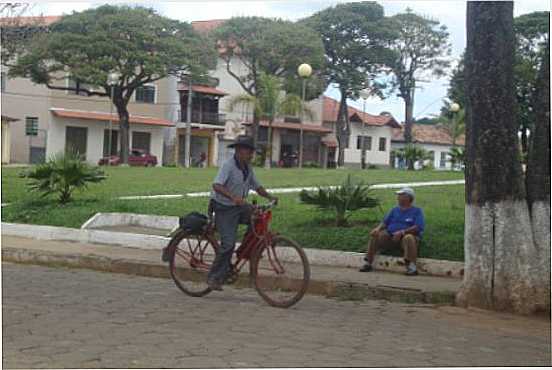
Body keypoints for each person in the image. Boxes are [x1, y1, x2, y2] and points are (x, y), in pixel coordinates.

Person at [207, 135, 278, 291]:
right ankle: (214, 277)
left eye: (252, 152)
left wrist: (269, 196)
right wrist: (234, 197)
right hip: (223, 207)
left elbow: (256, 186)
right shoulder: (228, 166)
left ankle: (244, 252)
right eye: (248, 151)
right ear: (239, 151)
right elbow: (217, 185)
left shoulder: (247, 168)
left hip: (239, 206)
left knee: (258, 221)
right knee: (228, 244)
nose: (251, 155)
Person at [359, 187, 424, 276]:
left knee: (408, 238)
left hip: (406, 238)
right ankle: (368, 263)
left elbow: (418, 227)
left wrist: (402, 232)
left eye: (401, 195)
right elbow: (385, 222)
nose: (398, 197)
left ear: (408, 198)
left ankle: (412, 267)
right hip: (391, 236)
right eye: (398, 195)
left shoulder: (417, 211)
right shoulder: (394, 210)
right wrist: (377, 229)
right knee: (376, 235)